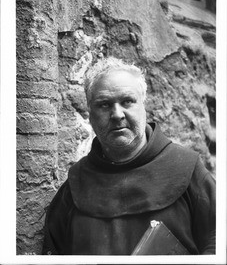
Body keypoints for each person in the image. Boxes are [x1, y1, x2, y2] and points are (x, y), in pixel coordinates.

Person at [42, 57, 216, 255]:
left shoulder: (187, 168)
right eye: (104, 105)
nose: (117, 114)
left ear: (143, 106)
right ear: (90, 115)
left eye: (127, 101)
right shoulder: (75, 186)